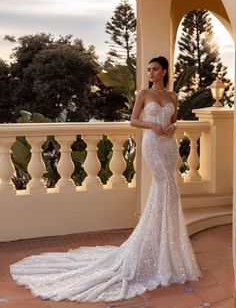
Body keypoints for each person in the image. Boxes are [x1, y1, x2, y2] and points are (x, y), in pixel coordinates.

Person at [10, 56, 202, 303]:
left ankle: (166, 247)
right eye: (149, 69)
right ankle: (155, 246)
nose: (151, 72)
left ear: (164, 71)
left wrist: (171, 128)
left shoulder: (174, 97)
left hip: (169, 146)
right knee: (163, 186)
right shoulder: (144, 93)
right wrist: (153, 127)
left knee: (170, 188)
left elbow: (173, 121)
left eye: (155, 69)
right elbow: (133, 119)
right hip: (153, 144)